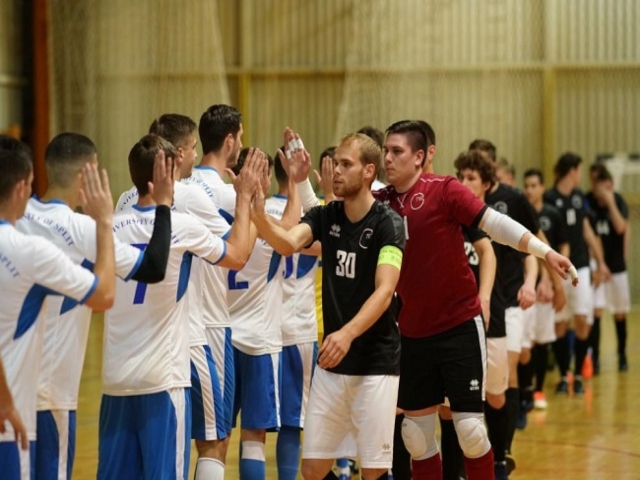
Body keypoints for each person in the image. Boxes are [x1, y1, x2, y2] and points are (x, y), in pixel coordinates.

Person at [373, 120, 576, 480]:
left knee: (469, 431)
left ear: (419, 157)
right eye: (385, 151)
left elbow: (496, 224)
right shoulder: (379, 202)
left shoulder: (445, 190)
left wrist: (545, 253)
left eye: (396, 151)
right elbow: (332, 219)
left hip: (458, 328)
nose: (387, 158)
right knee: (415, 437)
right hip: (412, 334)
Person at [97, 134, 259, 480]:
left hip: (116, 380)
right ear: (165, 177)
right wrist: (245, 198)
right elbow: (238, 255)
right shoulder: (182, 227)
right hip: (163, 379)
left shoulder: (111, 228)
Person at [15, 132, 173, 480]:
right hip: (51, 396)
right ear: (86, 174)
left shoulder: (15, 219)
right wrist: (162, 204)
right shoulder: (85, 230)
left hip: (10, 389)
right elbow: (153, 267)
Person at [252, 132, 405, 480]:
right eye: (336, 163)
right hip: (332, 364)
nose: (336, 171)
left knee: (374, 471)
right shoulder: (327, 215)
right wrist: (257, 214)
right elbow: (287, 243)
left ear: (368, 171)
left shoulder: (389, 224)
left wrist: (347, 334)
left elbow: (385, 291)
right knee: (313, 469)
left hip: (375, 364)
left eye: (346, 164)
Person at [0, 137, 116, 480]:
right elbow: (104, 295)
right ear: (21, 188)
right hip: (14, 420)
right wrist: (104, 222)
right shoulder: (29, 252)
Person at [468, 140, 539, 472]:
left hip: (506, 301)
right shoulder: (459, 210)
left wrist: (534, 282)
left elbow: (533, 244)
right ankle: (483, 454)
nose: (468, 180)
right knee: (471, 389)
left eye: (476, 172)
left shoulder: (511, 202)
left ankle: (502, 450)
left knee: (504, 376)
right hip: (469, 311)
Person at [266, 149, 321, 480]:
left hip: (261, 328)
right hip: (298, 329)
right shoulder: (316, 216)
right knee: (293, 421)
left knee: (253, 429)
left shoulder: (259, 211)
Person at [544, 153, 609, 395]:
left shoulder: (579, 198)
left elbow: (587, 231)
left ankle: (579, 375)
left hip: (579, 265)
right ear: (572, 171)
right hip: (558, 268)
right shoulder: (550, 198)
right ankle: (564, 375)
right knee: (560, 322)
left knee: (582, 319)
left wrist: (600, 262)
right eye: (579, 170)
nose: (580, 175)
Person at [522, 168, 569, 409]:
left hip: (546, 285)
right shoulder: (520, 212)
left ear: (542, 188)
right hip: (526, 284)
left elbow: (560, 247)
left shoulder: (552, 213)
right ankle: (526, 391)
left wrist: (551, 282)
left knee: (542, 339)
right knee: (526, 342)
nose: (530, 190)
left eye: (534, 185)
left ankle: (539, 390)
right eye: (526, 186)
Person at [586, 163, 630, 372]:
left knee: (619, 313)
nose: (597, 188)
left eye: (600, 183)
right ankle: (594, 358)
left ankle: (622, 355)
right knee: (596, 311)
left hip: (617, 266)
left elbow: (621, 227)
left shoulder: (618, 200)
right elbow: (588, 236)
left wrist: (610, 202)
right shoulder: (588, 201)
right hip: (598, 266)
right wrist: (596, 265)